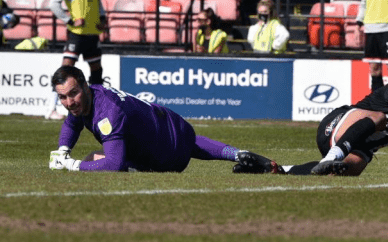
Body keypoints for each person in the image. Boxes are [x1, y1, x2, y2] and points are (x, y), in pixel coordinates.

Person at [234, 54, 388, 180]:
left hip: (359, 146)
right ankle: (332, 156)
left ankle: (275, 169)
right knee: (379, 118)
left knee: (349, 170)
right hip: (336, 126)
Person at [48, 65, 259, 172]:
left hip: (165, 158)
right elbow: (72, 123)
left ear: (85, 86)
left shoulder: (107, 113)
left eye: (72, 94)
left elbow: (113, 163)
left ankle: (138, 169)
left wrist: (71, 164)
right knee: (188, 143)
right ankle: (238, 154)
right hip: (176, 125)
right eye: (62, 97)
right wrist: (63, 150)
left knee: (93, 160)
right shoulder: (91, 94)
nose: (68, 102)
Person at [47, 0, 107, 120]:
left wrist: (102, 18)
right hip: (76, 33)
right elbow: (54, 4)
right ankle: (52, 108)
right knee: (66, 70)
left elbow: (99, 2)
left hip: (92, 33)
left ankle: (97, 106)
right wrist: (70, 20)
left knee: (97, 70)